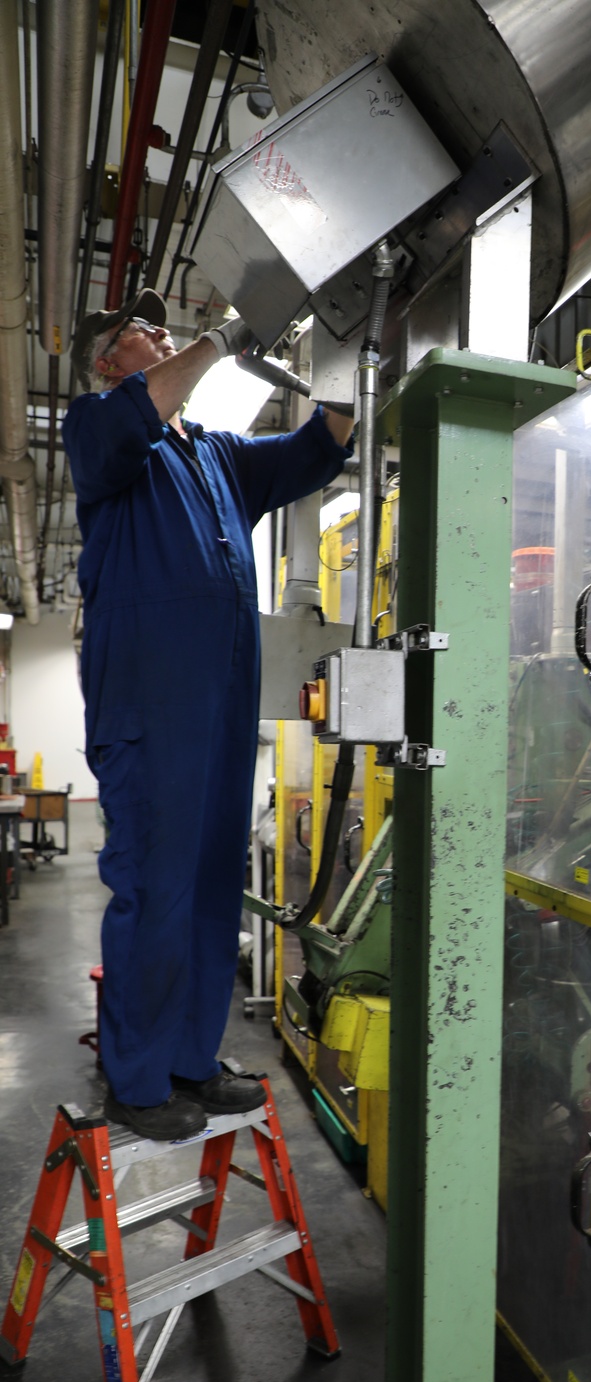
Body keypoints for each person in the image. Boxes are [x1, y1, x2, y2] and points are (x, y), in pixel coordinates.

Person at [64, 288, 354, 1140]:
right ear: (106, 362)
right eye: (139, 329)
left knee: (213, 881)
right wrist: (222, 339)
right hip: (150, 695)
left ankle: (191, 1059)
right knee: (155, 882)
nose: (160, 331)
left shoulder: (219, 454)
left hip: (224, 697)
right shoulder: (98, 427)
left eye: (162, 324)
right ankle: (138, 1079)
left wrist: (345, 365)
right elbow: (140, 411)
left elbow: (314, 450)